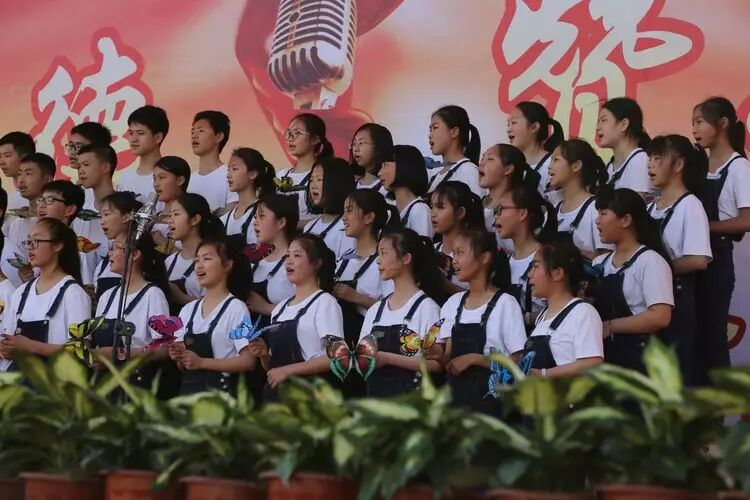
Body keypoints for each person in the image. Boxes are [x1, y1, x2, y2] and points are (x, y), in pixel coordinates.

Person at [431, 229, 526, 414]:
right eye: (453, 254)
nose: (454, 260)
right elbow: (450, 357)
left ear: (484, 258)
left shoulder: (506, 303)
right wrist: (437, 355)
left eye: (460, 253)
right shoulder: (452, 303)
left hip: (493, 403)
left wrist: (475, 359)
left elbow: (517, 362)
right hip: (457, 401)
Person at [692, 96, 750, 384]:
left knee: (714, 337)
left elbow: (746, 220)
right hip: (692, 259)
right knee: (693, 336)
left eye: (699, 122)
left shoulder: (739, 168)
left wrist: (704, 227)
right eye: (693, 123)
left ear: (723, 123)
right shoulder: (698, 165)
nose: (694, 129)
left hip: (717, 261)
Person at [646, 134, 711, 384]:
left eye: (658, 158)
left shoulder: (690, 205)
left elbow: (699, 260)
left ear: (679, 164)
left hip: (677, 299)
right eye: (650, 158)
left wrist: (657, 269)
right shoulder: (650, 208)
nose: (650, 164)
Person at [249, 234, 345, 401]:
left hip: (310, 396)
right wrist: (264, 356)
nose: (289, 261)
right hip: (279, 397)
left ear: (317, 263)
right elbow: (273, 369)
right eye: (287, 255)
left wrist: (288, 371)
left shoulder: (324, 302)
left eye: (297, 255)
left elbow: (337, 357)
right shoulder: (280, 308)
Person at [592, 187, 674, 373]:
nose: (597, 220)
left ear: (626, 220)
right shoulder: (599, 263)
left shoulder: (650, 261)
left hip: (641, 361)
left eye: (603, 213)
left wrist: (610, 326)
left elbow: (660, 317)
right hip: (607, 358)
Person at [359, 228, 444, 398]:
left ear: (406, 258)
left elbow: (436, 365)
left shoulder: (427, 308)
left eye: (384, 253)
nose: (378, 260)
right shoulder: (375, 311)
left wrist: (388, 359)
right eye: (378, 254)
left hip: (413, 403)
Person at [0, 218, 90, 369]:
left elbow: (80, 350)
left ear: (58, 245)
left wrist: (31, 346)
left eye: (36, 241)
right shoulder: (21, 293)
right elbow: (8, 341)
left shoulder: (74, 294)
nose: (30, 247)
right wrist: (6, 349)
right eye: (28, 242)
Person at [169, 239, 255, 395]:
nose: (199, 265)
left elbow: (248, 361)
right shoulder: (187, 310)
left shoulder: (236, 308)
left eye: (207, 258)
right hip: (190, 393)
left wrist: (202, 363)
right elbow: (183, 365)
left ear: (227, 265)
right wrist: (179, 357)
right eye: (197, 260)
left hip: (221, 395)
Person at [93, 232, 174, 394]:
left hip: (136, 384)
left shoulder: (153, 295)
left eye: (116, 247)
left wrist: (120, 354)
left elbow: (165, 348)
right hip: (106, 382)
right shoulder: (106, 297)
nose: (110, 253)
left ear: (135, 254)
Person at [334, 190, 398, 361]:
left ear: (369, 217)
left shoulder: (385, 258)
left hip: (371, 341)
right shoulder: (344, 258)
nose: (343, 217)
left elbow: (394, 308)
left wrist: (356, 297)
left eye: (349, 211)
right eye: (344, 211)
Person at [527, 238, 604, 376]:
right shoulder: (541, 317)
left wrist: (545, 374)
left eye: (536, 266)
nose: (529, 274)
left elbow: (592, 363)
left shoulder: (583, 312)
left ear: (558, 273)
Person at [494, 185, 557, 331]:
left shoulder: (548, 258)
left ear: (522, 213)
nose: (496, 216)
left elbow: (561, 309)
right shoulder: (502, 262)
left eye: (501, 209)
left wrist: (525, 318)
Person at [549, 139, 610, 260]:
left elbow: (607, 260)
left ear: (576, 166)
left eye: (556, 160)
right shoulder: (553, 210)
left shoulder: (595, 209)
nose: (550, 166)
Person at [1, 153, 56, 288]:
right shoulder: (16, 223)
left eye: (28, 173)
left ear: (48, 179)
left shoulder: (54, 223)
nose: (21, 179)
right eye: (20, 173)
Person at [166, 194, 225, 313]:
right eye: (170, 215)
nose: (170, 221)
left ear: (195, 219)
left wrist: (183, 298)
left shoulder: (212, 260)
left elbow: (220, 306)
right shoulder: (169, 261)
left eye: (176, 214)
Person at [478, 143, 540, 255]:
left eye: (490, 159)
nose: (481, 163)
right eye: (482, 158)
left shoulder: (514, 211)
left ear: (508, 169)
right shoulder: (478, 205)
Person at [247, 193, 297, 327]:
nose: (255, 222)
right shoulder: (253, 263)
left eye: (262, 216)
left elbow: (308, 309)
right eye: (255, 217)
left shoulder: (296, 263)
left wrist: (266, 308)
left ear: (281, 222)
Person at [275, 113, 334, 225]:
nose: (290, 138)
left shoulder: (325, 175)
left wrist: (294, 225)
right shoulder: (281, 175)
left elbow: (330, 216)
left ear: (315, 139)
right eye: (289, 133)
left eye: (297, 133)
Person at [430, 181, 485, 291]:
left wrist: (445, 285)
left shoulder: (475, 253)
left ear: (460, 212)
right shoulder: (431, 250)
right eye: (432, 207)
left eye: (440, 207)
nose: (432, 214)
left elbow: (480, 296)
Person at [506, 101, 565, 204]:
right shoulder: (509, 165)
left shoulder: (553, 165)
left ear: (534, 127)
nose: (508, 129)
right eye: (508, 124)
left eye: (514, 123)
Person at [74, 144, 116, 277]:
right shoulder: (81, 214)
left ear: (105, 167)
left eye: (86, 165)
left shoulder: (124, 210)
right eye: (79, 166)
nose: (81, 171)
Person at [596, 97, 651, 197]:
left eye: (604, 120)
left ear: (624, 124)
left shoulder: (640, 160)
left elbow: (636, 204)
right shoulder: (609, 167)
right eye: (598, 121)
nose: (598, 127)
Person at [304, 157, 356, 260]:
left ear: (337, 183)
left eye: (319, 179)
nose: (313, 185)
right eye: (311, 180)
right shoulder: (309, 227)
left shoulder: (348, 227)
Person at [426, 105, 483, 196]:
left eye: (435, 128)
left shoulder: (469, 172)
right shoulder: (435, 174)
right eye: (430, 130)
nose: (430, 135)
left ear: (454, 132)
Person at [222, 148, 276, 244]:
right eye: (228, 169)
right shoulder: (225, 218)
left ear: (252, 174)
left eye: (234, 169)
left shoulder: (264, 214)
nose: (228, 175)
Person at [118, 105, 170, 203]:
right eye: (131, 133)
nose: (133, 139)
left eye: (140, 133)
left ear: (158, 138)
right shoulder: (125, 178)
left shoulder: (169, 178)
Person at [188, 110, 238, 213]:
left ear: (219, 137)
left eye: (201, 131)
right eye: (192, 132)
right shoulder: (188, 180)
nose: (194, 135)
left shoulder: (230, 176)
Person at [96, 192, 142, 301]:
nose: (102, 221)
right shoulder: (104, 264)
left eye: (106, 214)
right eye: (100, 216)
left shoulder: (139, 256)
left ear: (126, 217)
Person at [379, 144, 433, 237]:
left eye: (385, 165)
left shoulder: (419, 211)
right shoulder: (390, 212)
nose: (379, 173)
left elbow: (423, 245)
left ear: (404, 166)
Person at [67, 122, 113, 209]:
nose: (72, 152)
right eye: (70, 145)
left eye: (78, 146)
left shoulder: (106, 195)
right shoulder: (72, 191)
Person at [151, 155, 192, 251]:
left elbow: (193, 256)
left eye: (162, 177)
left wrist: (163, 243)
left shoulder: (191, 218)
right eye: (154, 178)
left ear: (180, 180)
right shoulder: (153, 218)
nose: (156, 184)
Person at [0, 131, 36, 233]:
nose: (1, 162)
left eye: (7, 156)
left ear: (25, 157)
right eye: (0, 156)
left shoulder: (41, 196)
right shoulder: (9, 197)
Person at [349, 123, 393, 196]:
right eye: (354, 143)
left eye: (361, 143)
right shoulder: (351, 185)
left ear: (378, 146)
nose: (356, 149)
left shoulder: (386, 188)